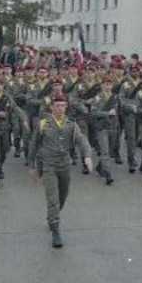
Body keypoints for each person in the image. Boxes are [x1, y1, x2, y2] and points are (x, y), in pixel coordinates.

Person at [28, 93, 92, 248]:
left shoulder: (71, 124)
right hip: (49, 165)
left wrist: (87, 156)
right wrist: (32, 166)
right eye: (57, 105)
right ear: (51, 107)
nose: (60, 108)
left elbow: (82, 140)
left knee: (63, 196)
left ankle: (53, 217)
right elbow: (33, 144)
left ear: (66, 107)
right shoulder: (43, 124)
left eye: (63, 105)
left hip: (64, 165)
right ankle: (55, 230)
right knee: (53, 200)